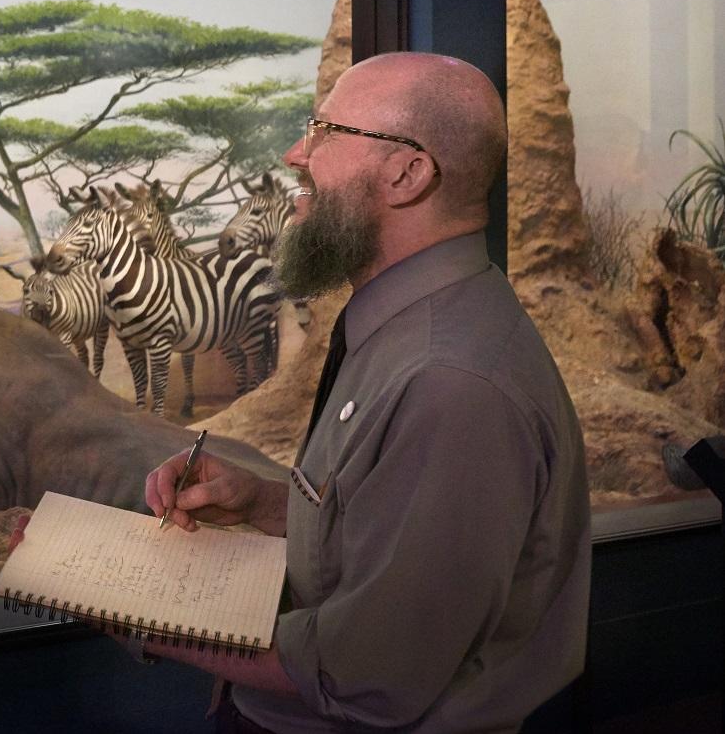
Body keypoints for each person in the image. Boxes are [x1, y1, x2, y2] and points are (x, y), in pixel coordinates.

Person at [140, 51, 591, 733]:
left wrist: (137, 616)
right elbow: (391, 532)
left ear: (407, 173)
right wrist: (264, 502)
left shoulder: (451, 381)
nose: (297, 153)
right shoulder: (410, 325)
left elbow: (367, 673)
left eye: (324, 131)